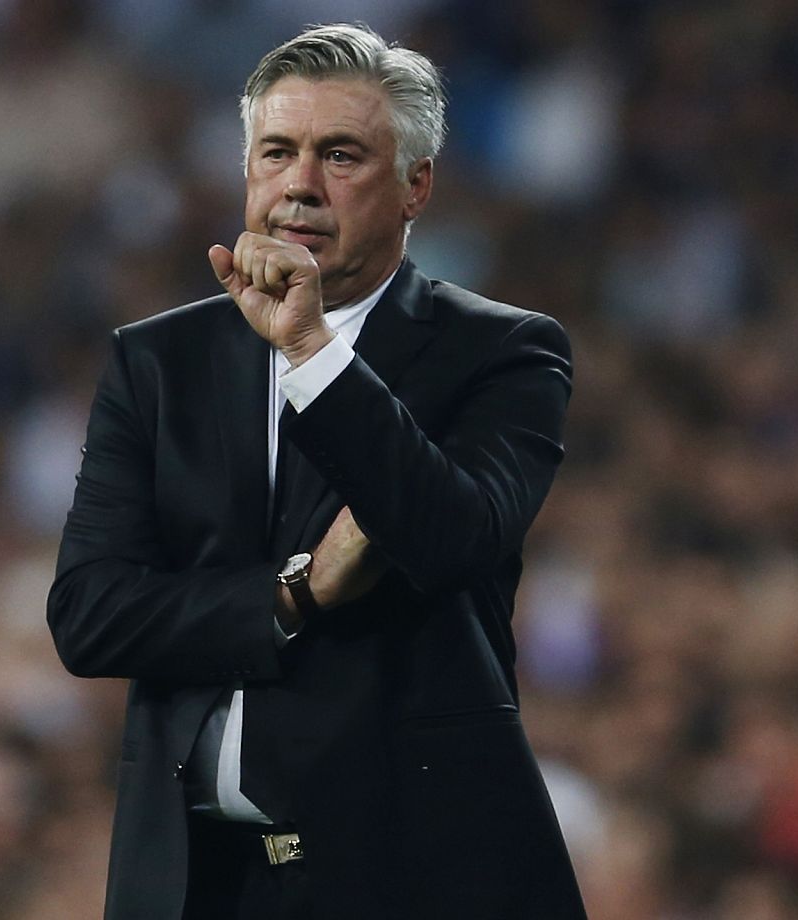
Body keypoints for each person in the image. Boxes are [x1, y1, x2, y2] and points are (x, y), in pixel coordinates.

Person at [47, 23, 587, 920]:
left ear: (417, 185)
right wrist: (287, 596)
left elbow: (450, 542)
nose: (300, 184)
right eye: (277, 152)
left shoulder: (504, 352)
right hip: (198, 880)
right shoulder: (157, 361)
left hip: (417, 874)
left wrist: (308, 349)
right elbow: (88, 617)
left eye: (341, 155)